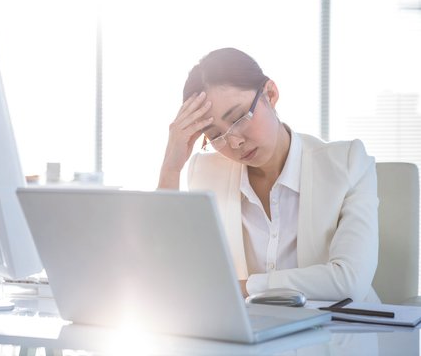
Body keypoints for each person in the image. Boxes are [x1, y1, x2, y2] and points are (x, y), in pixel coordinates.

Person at [158, 48, 379, 302]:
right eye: (215, 135)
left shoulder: (348, 162)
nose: (235, 142)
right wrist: (170, 169)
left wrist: (244, 287)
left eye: (239, 118)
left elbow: (350, 281)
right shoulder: (206, 172)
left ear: (270, 94)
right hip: (254, 335)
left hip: (347, 332)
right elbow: (168, 274)